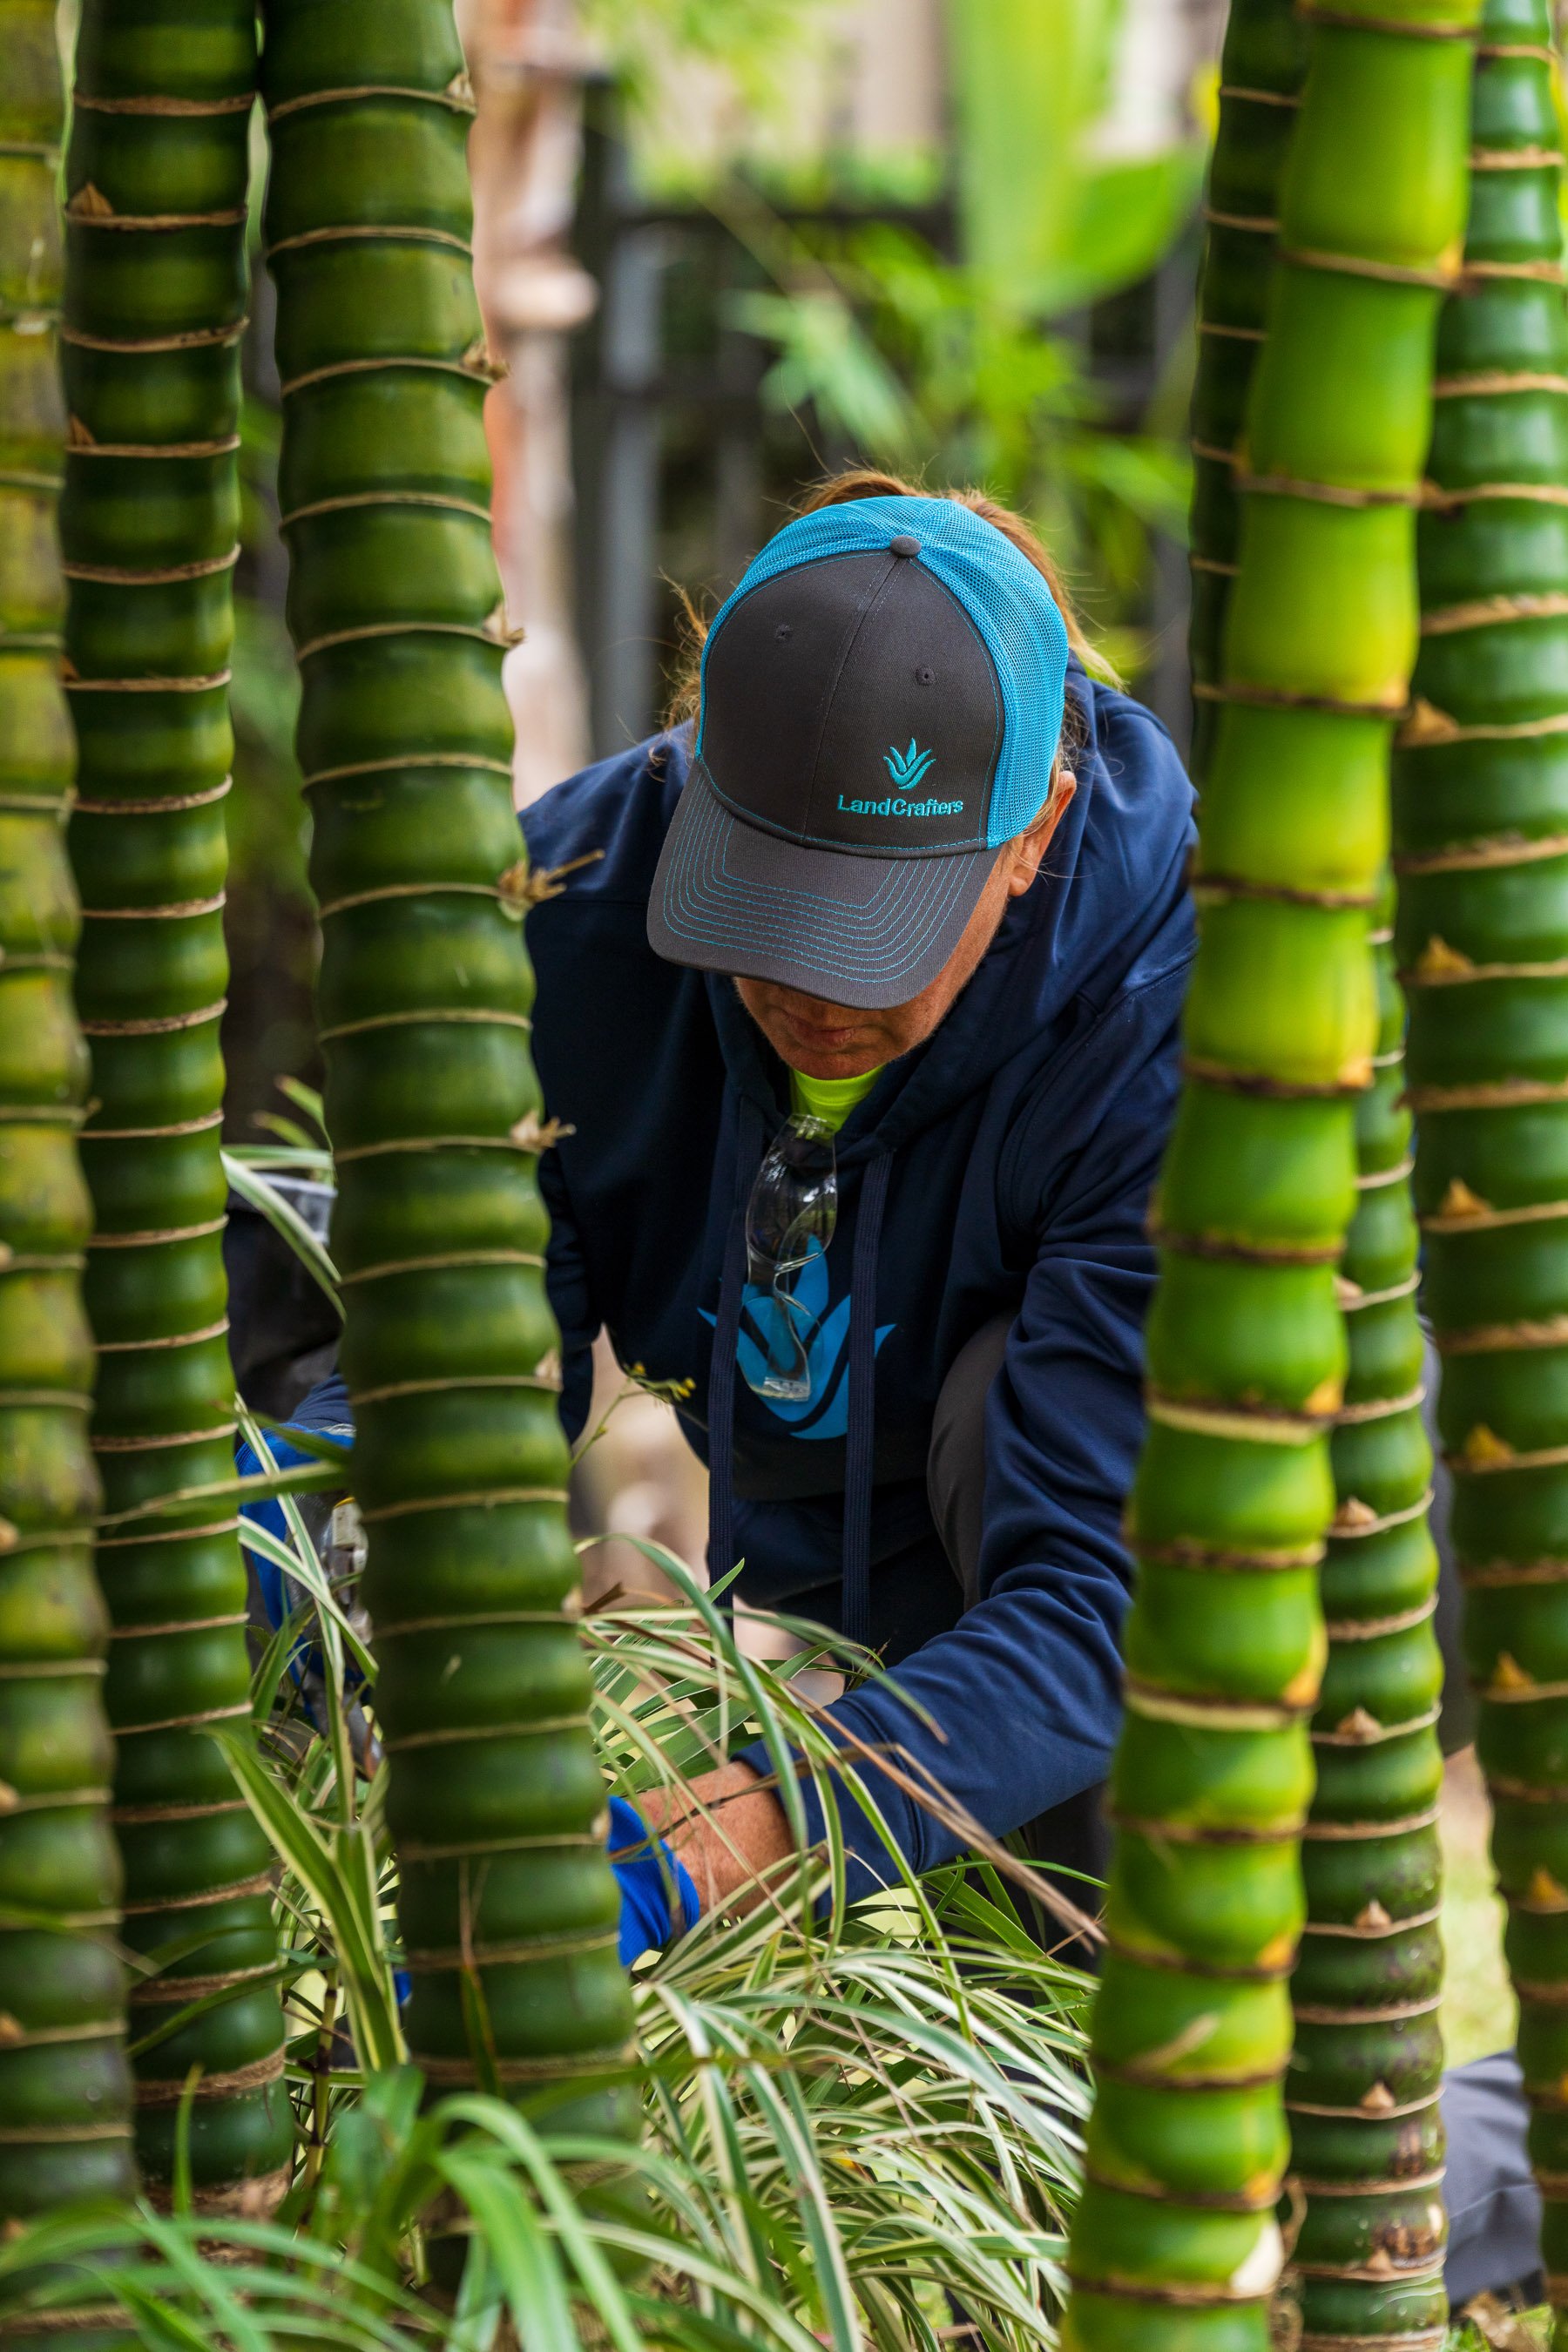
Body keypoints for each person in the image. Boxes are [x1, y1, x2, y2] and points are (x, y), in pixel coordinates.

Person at [237, 470, 1538, 2308]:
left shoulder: (1205, 1014)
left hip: (1215, 1630)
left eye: (869, 930)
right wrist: (257, 1611)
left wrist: (730, 1827)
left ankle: (1500, 2146)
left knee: (1195, 2199)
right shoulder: (581, 915)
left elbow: (1101, 1603)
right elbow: (455, 1388)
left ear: (1035, 831)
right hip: (849, 1596)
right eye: (760, 906)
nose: (801, 987)